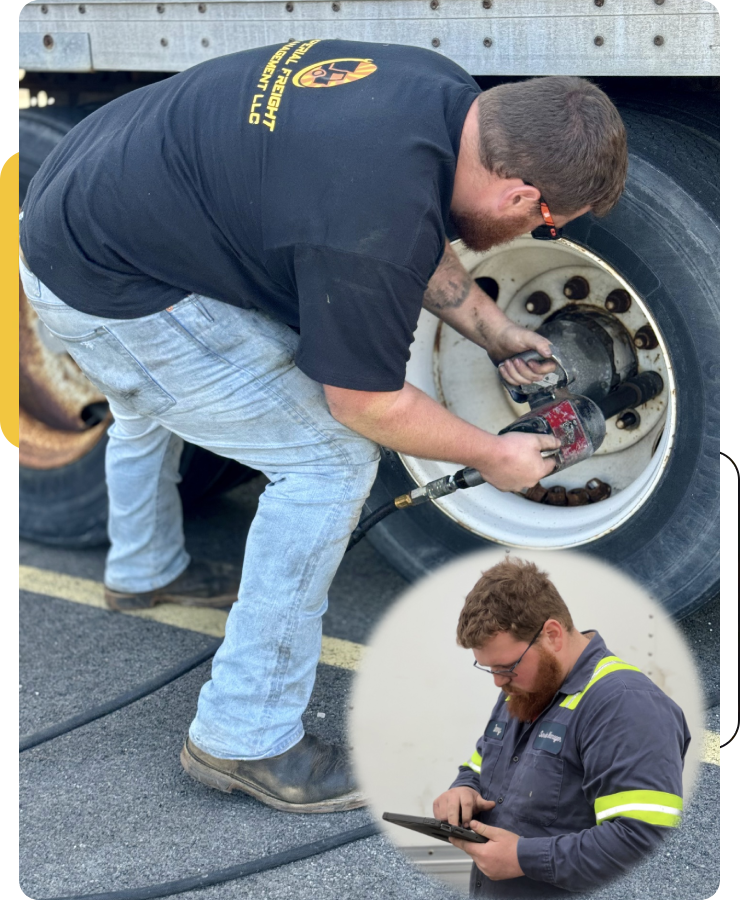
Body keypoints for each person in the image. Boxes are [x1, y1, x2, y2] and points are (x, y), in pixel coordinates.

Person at [19, 40, 628, 813]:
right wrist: (493, 455)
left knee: (150, 401)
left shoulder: (443, 96)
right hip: (106, 287)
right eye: (548, 222)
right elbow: (364, 405)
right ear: (519, 192)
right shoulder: (370, 218)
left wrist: (491, 328)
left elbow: (420, 236)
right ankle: (245, 737)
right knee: (330, 461)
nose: (542, 234)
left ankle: (143, 571)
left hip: (89, 210)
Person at [432, 557, 690, 897]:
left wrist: (524, 858)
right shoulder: (526, 684)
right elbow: (484, 763)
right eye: (488, 668)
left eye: (506, 666)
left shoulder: (625, 706)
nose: (497, 682)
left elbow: (643, 837)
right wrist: (464, 789)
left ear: (552, 635)